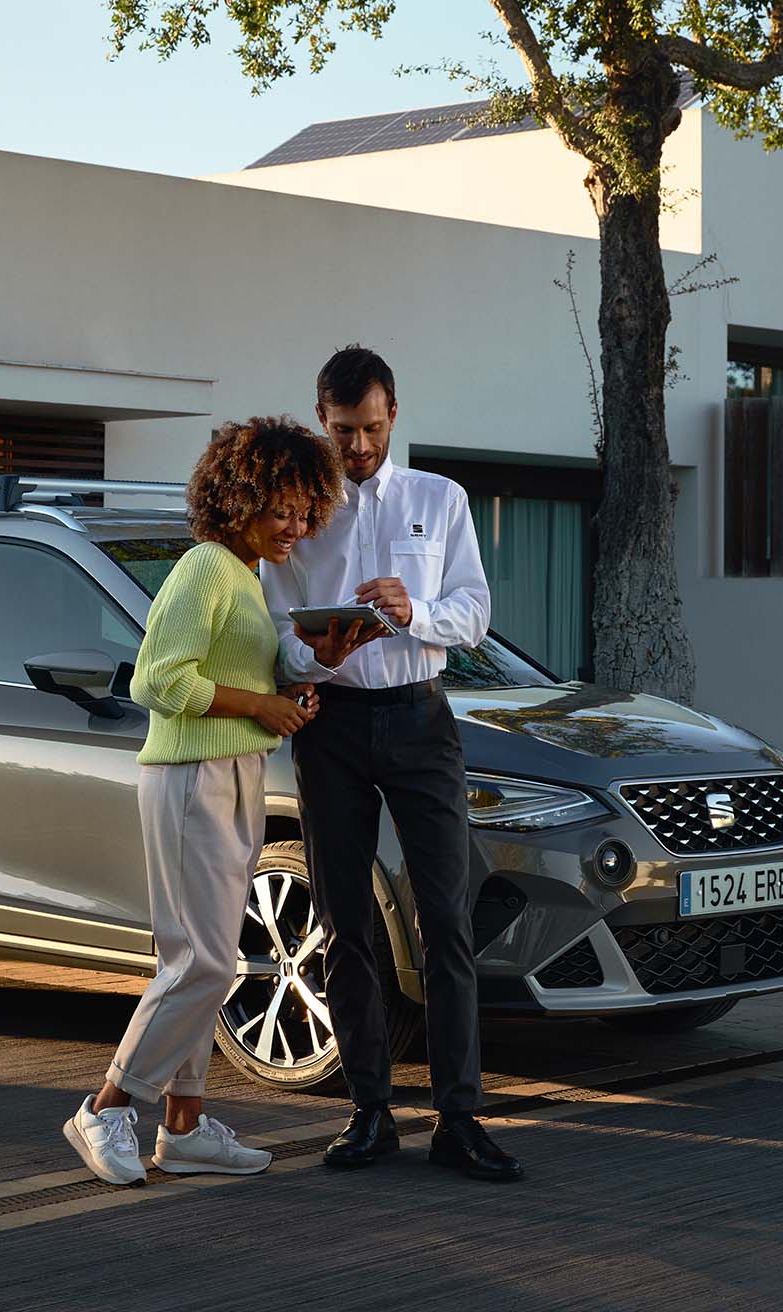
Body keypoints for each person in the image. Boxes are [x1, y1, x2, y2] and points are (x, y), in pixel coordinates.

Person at [63, 416, 375, 1186]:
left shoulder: (247, 575)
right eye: (283, 511)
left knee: (205, 960)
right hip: (189, 779)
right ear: (238, 500)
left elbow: (239, 683)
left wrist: (309, 676)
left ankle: (186, 1126)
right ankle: (107, 1106)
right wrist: (260, 708)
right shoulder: (206, 565)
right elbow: (157, 682)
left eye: (307, 513)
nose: (297, 529)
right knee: (201, 960)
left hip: (234, 773)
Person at [264, 344, 523, 1181]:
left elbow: (476, 613)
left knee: (446, 919)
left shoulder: (438, 499)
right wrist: (317, 655)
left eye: (372, 428)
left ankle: (460, 1116)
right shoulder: (297, 513)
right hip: (331, 728)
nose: (360, 445)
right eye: (344, 429)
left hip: (421, 721)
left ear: (394, 415)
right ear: (321, 420)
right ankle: (369, 1113)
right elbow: (274, 632)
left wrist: (416, 612)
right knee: (345, 923)